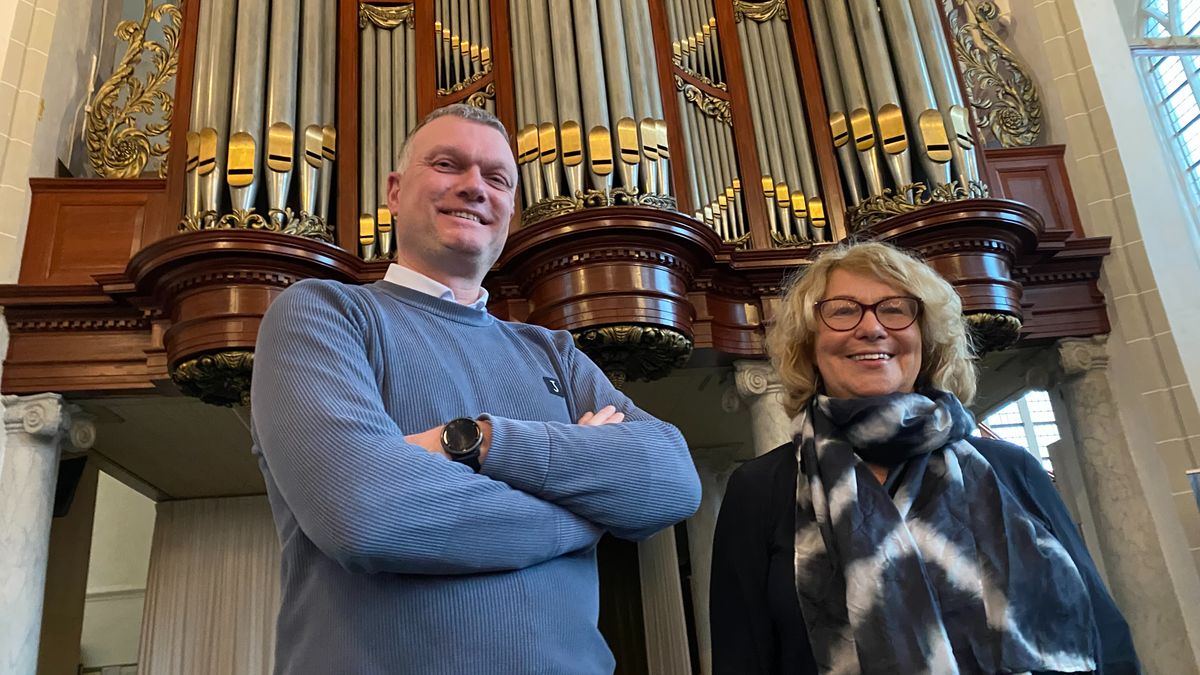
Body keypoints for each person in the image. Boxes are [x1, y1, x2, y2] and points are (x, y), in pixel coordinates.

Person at [250, 104, 701, 675]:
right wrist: (585, 513)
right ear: (394, 190)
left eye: (496, 178)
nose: (473, 188)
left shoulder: (553, 353)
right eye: (447, 165)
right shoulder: (323, 314)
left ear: (511, 206)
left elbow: (672, 479)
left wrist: (472, 442)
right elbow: (366, 515)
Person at [709, 241, 1140, 675]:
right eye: (842, 311)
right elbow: (742, 657)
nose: (872, 328)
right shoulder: (760, 488)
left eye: (895, 309)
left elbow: (1108, 640)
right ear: (810, 345)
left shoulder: (1011, 469)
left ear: (926, 338)